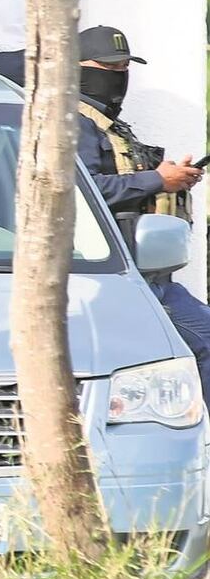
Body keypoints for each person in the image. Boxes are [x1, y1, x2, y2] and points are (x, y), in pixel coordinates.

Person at [74, 25, 210, 398]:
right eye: (108, 68)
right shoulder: (76, 122)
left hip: (143, 271)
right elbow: (86, 192)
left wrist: (171, 180)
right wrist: (156, 181)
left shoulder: (106, 121)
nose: (118, 78)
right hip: (110, 274)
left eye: (123, 69)